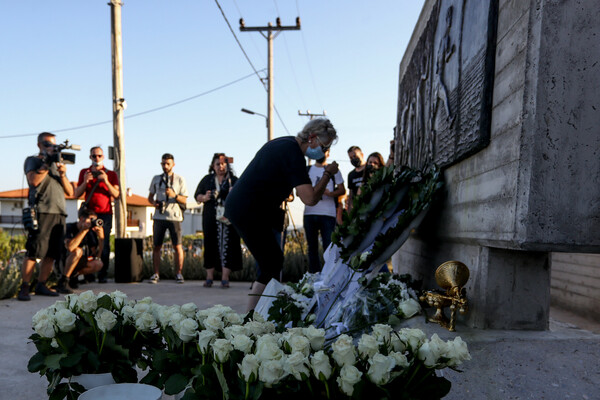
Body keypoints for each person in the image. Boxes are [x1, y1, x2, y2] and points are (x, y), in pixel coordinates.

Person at [225, 118, 339, 311]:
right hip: (247, 209)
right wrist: (328, 173)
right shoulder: (293, 154)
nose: (324, 151)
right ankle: (252, 315)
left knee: (271, 261)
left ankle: (258, 311)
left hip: (245, 207)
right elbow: (309, 198)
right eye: (324, 145)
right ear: (312, 138)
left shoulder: (283, 142)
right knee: (271, 262)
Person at [18, 132, 74, 301]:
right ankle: (25, 286)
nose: (52, 147)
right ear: (39, 145)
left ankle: (41, 284)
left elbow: (70, 192)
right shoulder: (33, 161)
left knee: (51, 253)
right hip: (42, 211)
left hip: (59, 212)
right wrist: (46, 163)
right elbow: (33, 181)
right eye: (48, 144)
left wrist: (62, 174)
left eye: (54, 145)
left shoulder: (57, 164)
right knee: (34, 251)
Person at [194, 153, 243, 288]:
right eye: (218, 164)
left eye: (223, 163)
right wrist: (204, 197)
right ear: (213, 166)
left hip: (228, 219)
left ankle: (225, 277)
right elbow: (196, 195)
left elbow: (242, 197)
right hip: (211, 218)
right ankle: (209, 277)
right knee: (210, 244)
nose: (221, 166)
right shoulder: (208, 180)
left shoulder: (234, 180)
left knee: (230, 245)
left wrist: (234, 193)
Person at [73, 146, 119, 283]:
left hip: (105, 214)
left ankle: (103, 274)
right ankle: (89, 274)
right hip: (89, 214)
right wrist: (85, 181)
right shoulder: (84, 172)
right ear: (90, 157)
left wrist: (106, 181)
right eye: (94, 156)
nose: (97, 158)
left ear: (103, 157)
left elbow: (116, 194)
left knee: (103, 244)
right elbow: (76, 194)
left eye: (99, 156)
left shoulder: (111, 174)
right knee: (88, 243)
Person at [147, 153, 188, 284]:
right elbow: (149, 198)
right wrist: (155, 204)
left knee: (177, 246)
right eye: (163, 163)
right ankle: (156, 274)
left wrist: (174, 195)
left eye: (168, 163)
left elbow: (185, 199)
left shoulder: (180, 179)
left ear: (173, 165)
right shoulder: (156, 179)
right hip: (159, 216)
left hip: (174, 216)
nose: (165, 166)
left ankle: (178, 273)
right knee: (156, 246)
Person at [304, 150, 345, 273]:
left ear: (328, 153)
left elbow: (342, 190)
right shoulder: (307, 170)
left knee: (329, 247)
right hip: (310, 212)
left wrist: (330, 193)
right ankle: (314, 275)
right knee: (312, 248)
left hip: (328, 214)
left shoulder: (333, 170)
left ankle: (329, 276)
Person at [56, 208, 104, 293]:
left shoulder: (90, 232)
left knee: (98, 264)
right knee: (78, 251)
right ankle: (63, 281)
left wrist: (101, 238)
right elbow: (70, 247)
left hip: (78, 263)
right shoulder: (69, 227)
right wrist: (83, 230)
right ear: (82, 218)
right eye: (91, 219)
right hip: (62, 262)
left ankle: (73, 276)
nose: (92, 222)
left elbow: (97, 256)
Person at [346, 145, 366, 212]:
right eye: (351, 158)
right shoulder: (351, 175)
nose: (353, 159)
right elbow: (351, 195)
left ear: (362, 155)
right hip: (357, 208)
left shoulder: (369, 169)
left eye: (355, 156)